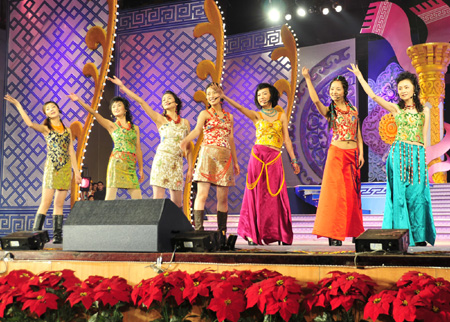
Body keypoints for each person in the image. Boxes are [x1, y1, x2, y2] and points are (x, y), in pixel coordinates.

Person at [348, 64, 436, 246]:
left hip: (417, 154)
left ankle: (419, 237)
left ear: (414, 89)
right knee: (400, 197)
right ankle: (402, 237)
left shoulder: (424, 111)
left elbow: (425, 139)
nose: (403, 90)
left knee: (418, 196)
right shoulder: (397, 109)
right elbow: (373, 96)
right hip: (399, 154)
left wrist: (425, 160)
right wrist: (360, 76)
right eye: (400, 88)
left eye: (406, 87)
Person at [211, 83, 300, 245]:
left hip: (274, 157)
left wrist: (293, 160)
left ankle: (278, 233)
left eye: (264, 94)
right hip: (258, 156)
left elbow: (286, 139)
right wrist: (224, 97)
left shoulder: (281, 115)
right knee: (256, 194)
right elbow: (239, 108)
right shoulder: (256, 115)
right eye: (259, 95)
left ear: (272, 95)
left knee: (275, 195)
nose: (262, 97)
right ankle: (252, 233)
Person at [4, 95, 81, 244]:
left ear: (58, 109)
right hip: (52, 167)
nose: (51, 110)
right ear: (46, 114)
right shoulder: (46, 128)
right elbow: (29, 124)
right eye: (48, 109)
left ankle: (58, 236)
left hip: (65, 169)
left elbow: (71, 151)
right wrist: (18, 105)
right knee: (45, 203)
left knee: (59, 204)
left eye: (53, 107)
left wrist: (76, 173)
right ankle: (35, 235)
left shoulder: (68, 131)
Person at [107, 76, 193, 209]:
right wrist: (123, 87)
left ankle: (175, 229)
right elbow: (141, 102)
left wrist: (191, 167)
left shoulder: (185, 123)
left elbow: (188, 148)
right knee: (157, 200)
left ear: (176, 103)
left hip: (177, 163)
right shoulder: (160, 119)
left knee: (177, 203)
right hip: (162, 160)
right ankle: (156, 229)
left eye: (169, 98)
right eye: (163, 100)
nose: (166, 101)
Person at [302, 67, 365, 246]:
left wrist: (360, 152)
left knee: (353, 195)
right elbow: (315, 101)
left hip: (352, 155)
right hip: (336, 154)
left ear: (345, 90)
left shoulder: (353, 109)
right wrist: (307, 78)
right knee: (335, 194)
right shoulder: (331, 110)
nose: (334, 92)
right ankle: (334, 234)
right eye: (332, 89)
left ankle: (355, 232)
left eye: (338, 89)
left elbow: (358, 133)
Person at [180, 82, 240, 240]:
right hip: (207, 156)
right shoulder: (205, 114)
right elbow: (197, 130)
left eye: (214, 93)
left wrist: (235, 162)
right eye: (208, 94)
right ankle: (199, 232)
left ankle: (222, 234)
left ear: (221, 95)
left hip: (225, 158)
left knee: (223, 198)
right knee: (202, 195)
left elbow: (231, 139)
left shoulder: (229, 117)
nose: (211, 96)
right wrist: (186, 140)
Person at [68, 93, 144, 200]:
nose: (116, 108)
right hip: (116, 163)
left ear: (125, 109)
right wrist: (79, 100)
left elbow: (138, 149)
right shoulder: (112, 125)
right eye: (113, 107)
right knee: (109, 198)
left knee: (138, 200)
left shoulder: (135, 128)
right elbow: (94, 113)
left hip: (131, 165)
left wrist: (141, 168)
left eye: (118, 105)